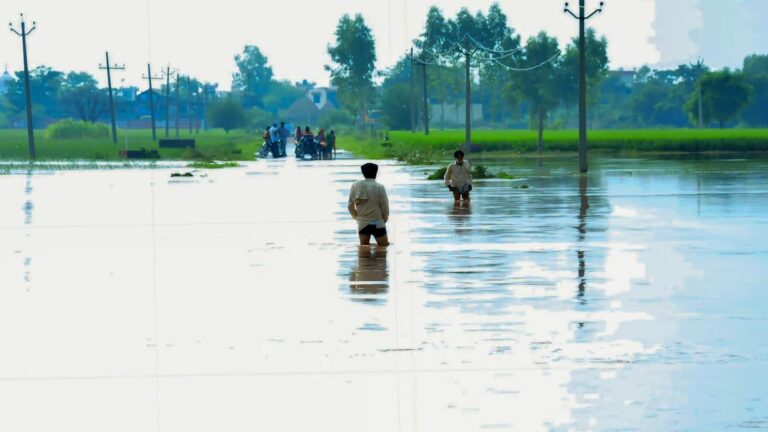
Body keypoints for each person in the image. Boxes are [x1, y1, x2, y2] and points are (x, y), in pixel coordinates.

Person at [348, 163, 390, 247]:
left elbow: (350, 205)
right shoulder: (380, 187)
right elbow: (385, 206)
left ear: (363, 173)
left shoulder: (355, 186)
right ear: (376, 173)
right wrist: (384, 219)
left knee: (363, 251)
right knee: (383, 248)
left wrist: (356, 217)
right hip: (378, 223)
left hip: (362, 224)